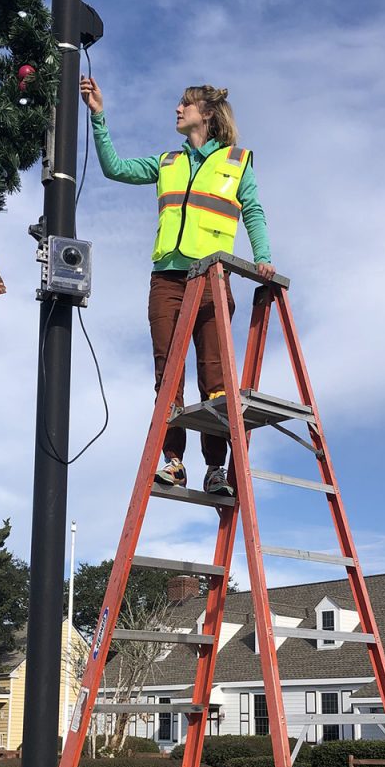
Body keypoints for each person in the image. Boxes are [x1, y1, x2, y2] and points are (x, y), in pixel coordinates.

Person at [79, 76, 277, 497]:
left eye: (184, 105)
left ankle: (214, 469)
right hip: (167, 280)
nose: (177, 109)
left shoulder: (237, 162)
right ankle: (173, 462)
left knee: (215, 377)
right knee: (167, 373)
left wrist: (262, 256)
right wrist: (98, 115)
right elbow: (115, 168)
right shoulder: (168, 162)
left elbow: (253, 212)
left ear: (206, 114)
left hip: (213, 279)